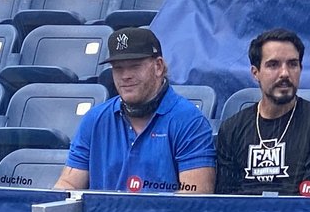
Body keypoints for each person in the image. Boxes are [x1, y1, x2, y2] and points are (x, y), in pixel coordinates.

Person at [54, 27, 215, 193]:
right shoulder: (94, 120)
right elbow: (69, 185)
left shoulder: (189, 121)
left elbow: (195, 195)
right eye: (118, 68)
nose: (125, 76)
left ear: (158, 66)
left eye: (135, 66)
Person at [216, 29, 310, 196]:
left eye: (292, 64)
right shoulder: (232, 129)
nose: (285, 73)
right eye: (273, 65)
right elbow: (222, 200)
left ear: (300, 69)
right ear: (255, 73)